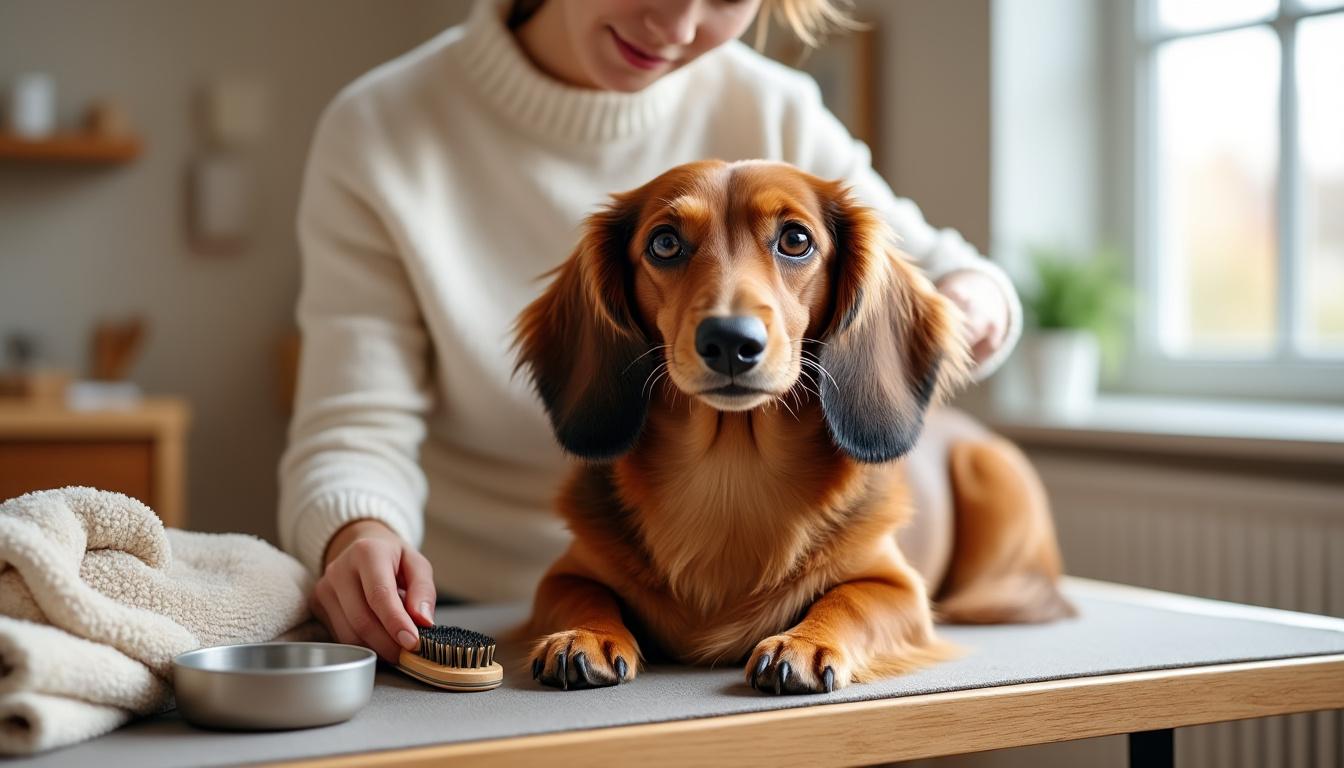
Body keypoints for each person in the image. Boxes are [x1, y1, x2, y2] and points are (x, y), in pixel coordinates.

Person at [279, 0, 1021, 664]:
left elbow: (940, 269)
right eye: (668, 246)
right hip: (466, 607)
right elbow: (355, 420)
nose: (677, 25)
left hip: (787, 588)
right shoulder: (379, 130)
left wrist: (971, 302)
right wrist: (360, 534)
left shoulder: (773, 106)